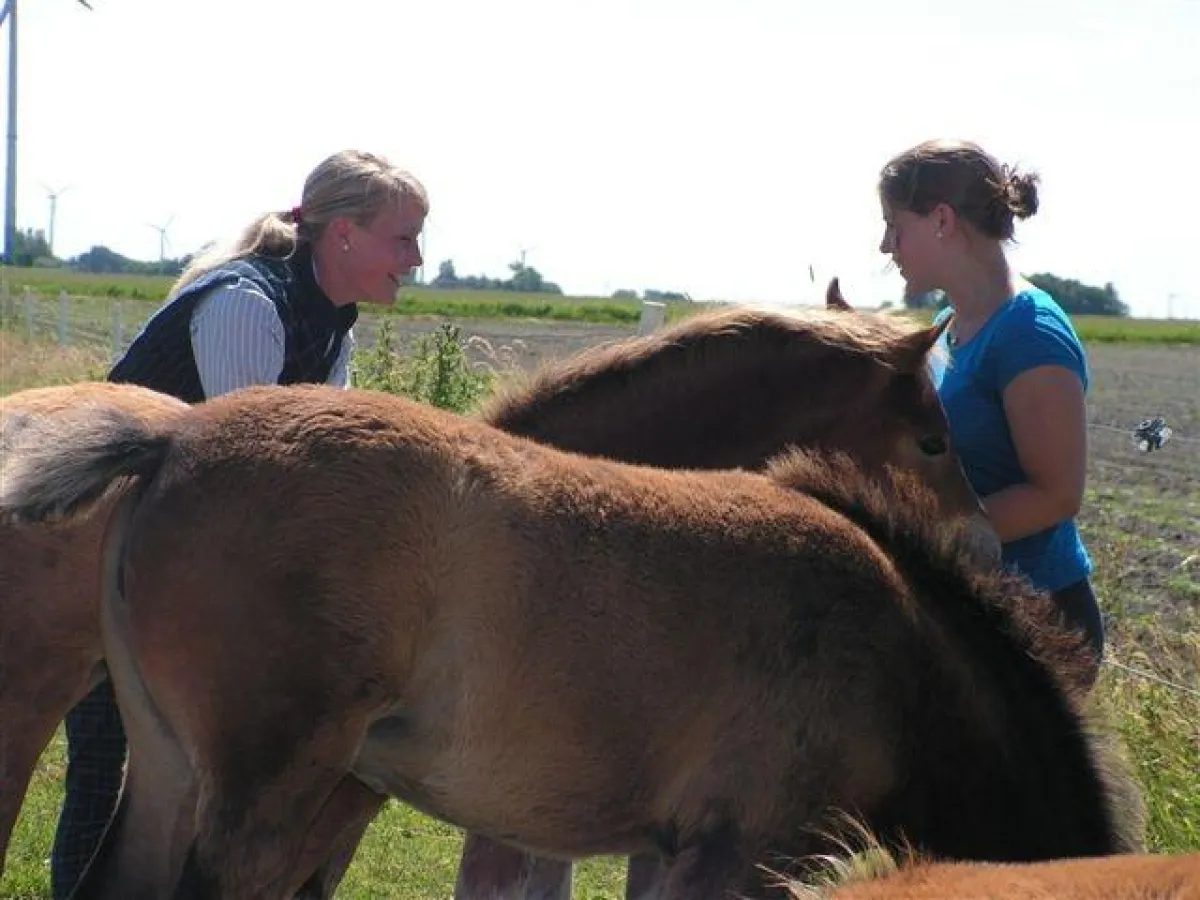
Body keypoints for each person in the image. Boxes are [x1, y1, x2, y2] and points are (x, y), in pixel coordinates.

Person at [50, 148, 428, 899]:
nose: (417, 258)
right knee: (106, 767)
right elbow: (246, 485)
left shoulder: (332, 326)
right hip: (101, 551)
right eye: (404, 236)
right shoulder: (245, 306)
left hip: (176, 560)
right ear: (344, 233)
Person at [877, 138, 1104, 682]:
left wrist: (922, 530)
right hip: (976, 611)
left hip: (1037, 624)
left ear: (941, 220)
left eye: (893, 224)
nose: (885, 245)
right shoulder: (950, 321)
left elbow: (1056, 494)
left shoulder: (1029, 333)